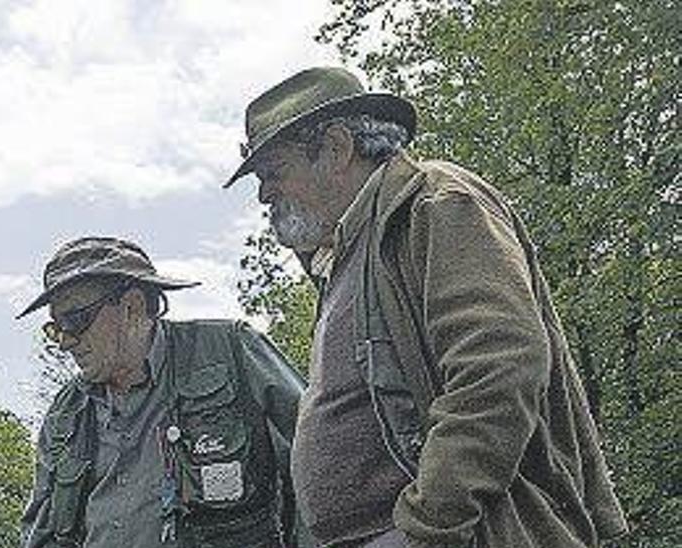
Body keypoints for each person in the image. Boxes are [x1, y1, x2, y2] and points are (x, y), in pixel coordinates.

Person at [224, 67, 629, 547]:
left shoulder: (434, 204)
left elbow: (499, 367)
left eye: (274, 172)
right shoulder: (352, 251)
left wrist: (428, 525)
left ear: (336, 149)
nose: (264, 194)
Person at [16, 236, 309, 548]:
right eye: (55, 327)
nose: (64, 340)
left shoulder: (231, 352)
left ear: (132, 306)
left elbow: (321, 459)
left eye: (74, 320)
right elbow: (41, 534)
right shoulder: (66, 413)